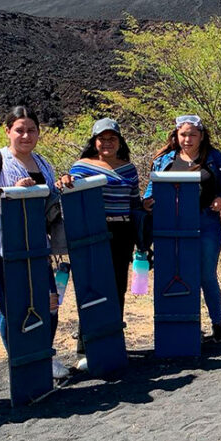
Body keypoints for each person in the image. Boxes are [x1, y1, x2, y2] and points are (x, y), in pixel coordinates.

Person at [0, 106, 69, 378]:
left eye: (31, 130)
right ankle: (20, 361)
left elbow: (49, 199)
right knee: (13, 304)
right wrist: (7, 193)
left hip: (37, 244)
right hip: (1, 243)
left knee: (49, 301)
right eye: (19, 130)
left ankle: (44, 356)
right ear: (8, 131)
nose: (26, 135)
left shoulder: (43, 163)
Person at [144, 115, 221, 341]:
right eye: (183, 134)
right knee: (178, 272)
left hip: (206, 222)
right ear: (176, 136)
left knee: (206, 275)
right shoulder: (165, 160)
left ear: (202, 136)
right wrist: (148, 202)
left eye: (193, 134)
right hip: (173, 224)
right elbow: (151, 188)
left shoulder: (215, 158)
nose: (188, 139)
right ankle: (187, 323)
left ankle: (217, 324)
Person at [64, 118, 140, 371]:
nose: (107, 143)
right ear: (94, 142)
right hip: (94, 232)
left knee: (117, 287)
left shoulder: (128, 169)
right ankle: (85, 348)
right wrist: (63, 180)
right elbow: (70, 193)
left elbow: (134, 203)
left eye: (112, 138)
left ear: (119, 141)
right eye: (102, 139)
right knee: (92, 287)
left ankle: (112, 341)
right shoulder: (81, 167)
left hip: (123, 232)